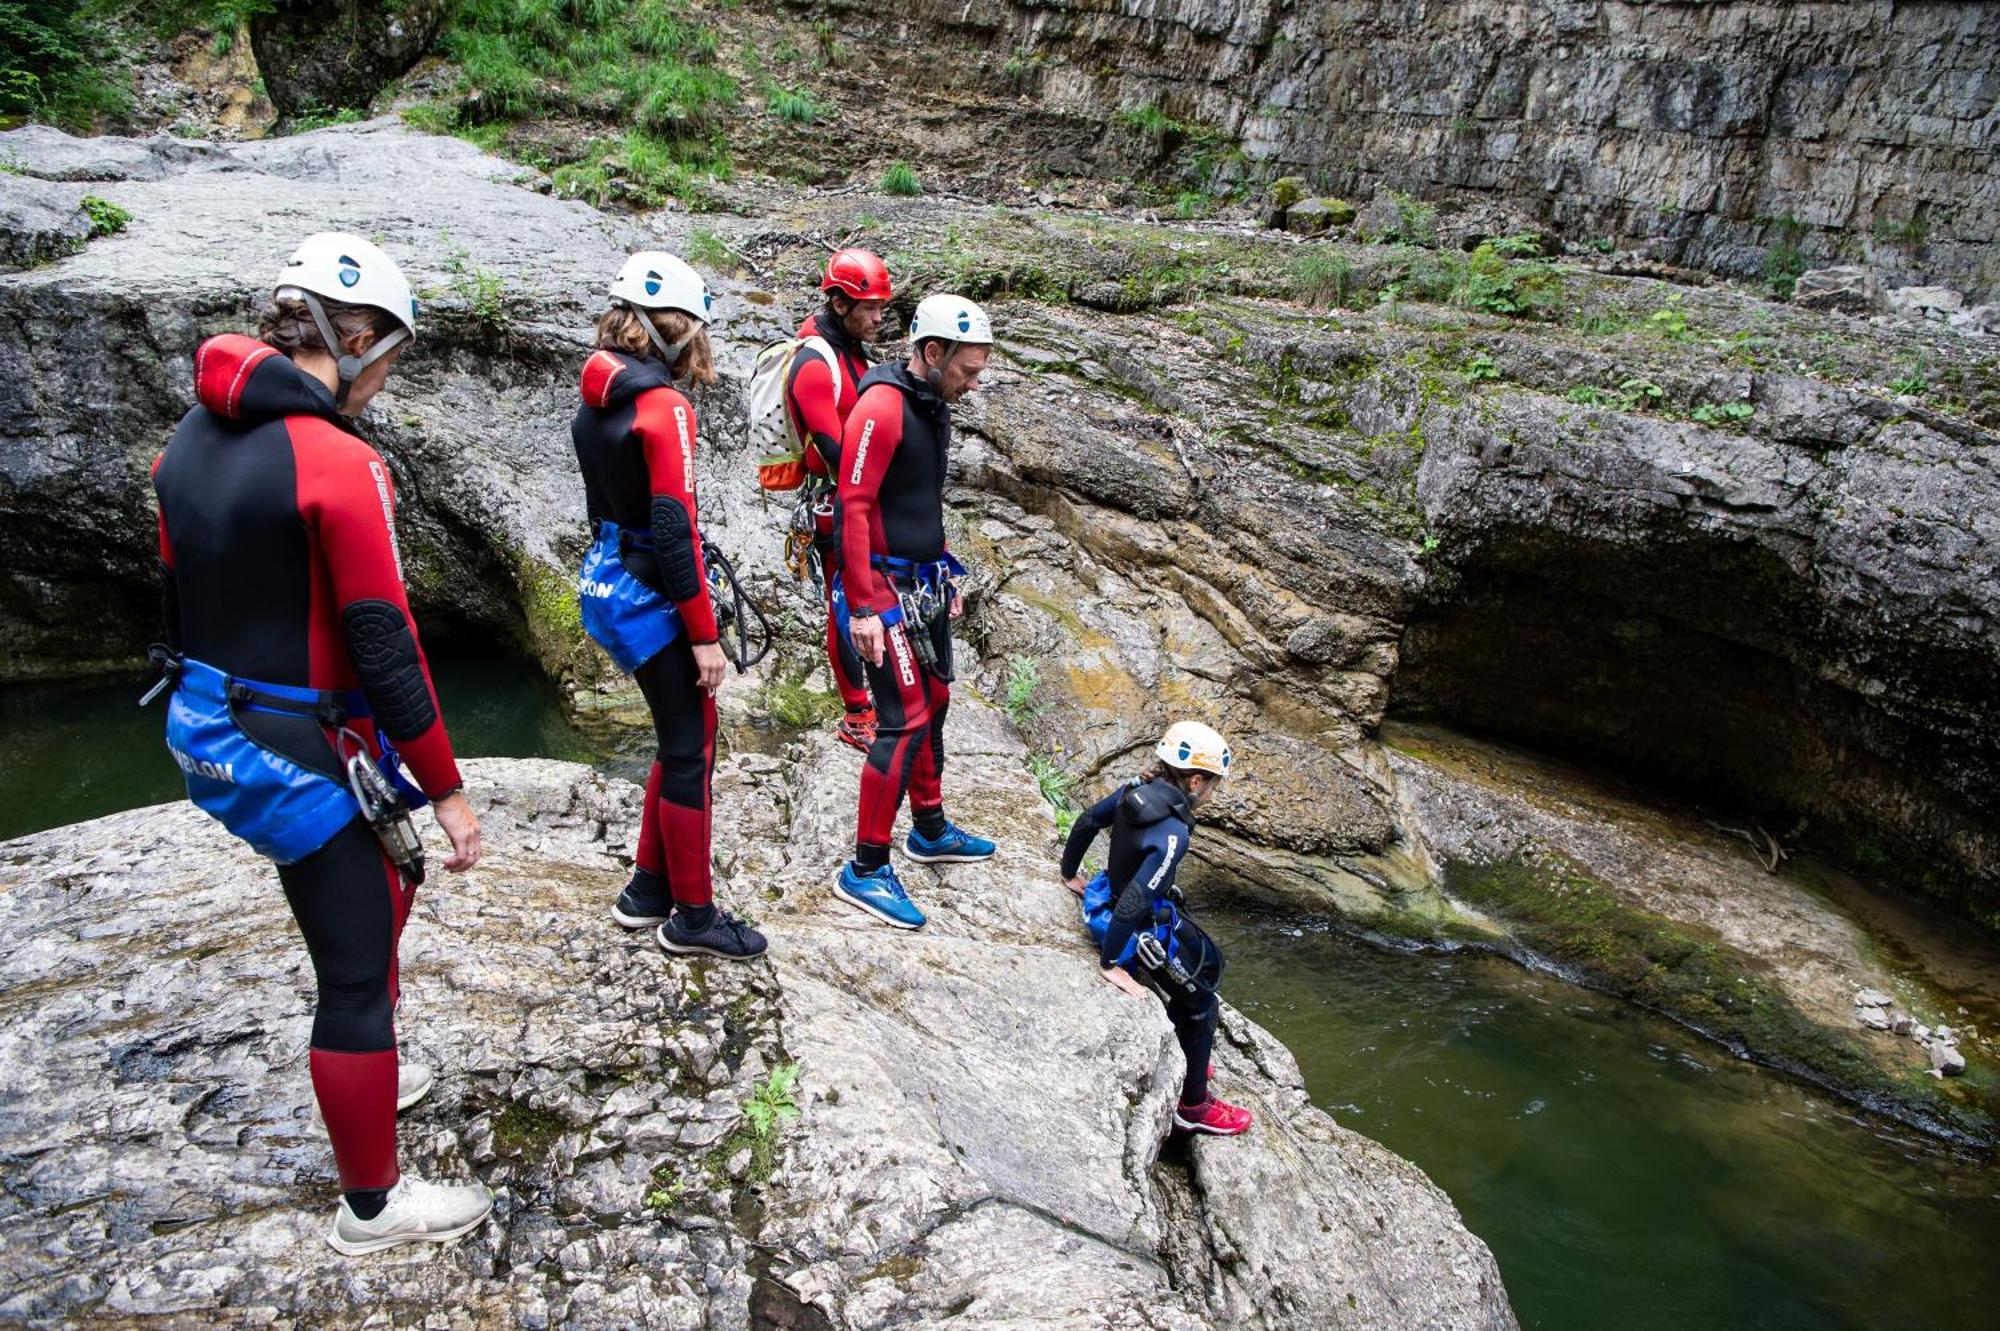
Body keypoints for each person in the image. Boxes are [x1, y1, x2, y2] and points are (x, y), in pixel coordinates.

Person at [150, 232, 493, 1254]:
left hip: (212, 714)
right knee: (352, 963)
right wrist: (447, 789)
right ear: (352, 340)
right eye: (384, 361)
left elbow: (178, 586)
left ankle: (377, 1055)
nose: (383, 384)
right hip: (285, 735)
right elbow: (384, 645)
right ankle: (373, 1206)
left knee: (380, 884)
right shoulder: (337, 460)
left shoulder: (188, 436)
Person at [572, 250, 767, 962]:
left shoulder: (599, 400)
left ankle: (647, 886)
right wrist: (705, 634)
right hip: (653, 594)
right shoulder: (664, 407)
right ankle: (692, 915)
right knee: (693, 748)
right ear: (677, 329)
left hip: (610, 582)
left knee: (677, 735)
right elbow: (673, 527)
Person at [830, 294, 1000, 929]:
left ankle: (928, 828)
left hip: (922, 581)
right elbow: (854, 506)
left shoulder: (933, 404)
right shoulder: (882, 405)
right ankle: (865, 869)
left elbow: (918, 501)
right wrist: (864, 608)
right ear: (933, 353)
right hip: (882, 591)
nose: (974, 383)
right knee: (901, 719)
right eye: (968, 371)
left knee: (938, 700)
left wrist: (946, 566)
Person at [1060, 722, 1253, 1136]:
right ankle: (1193, 1108)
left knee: (1205, 962)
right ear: (1196, 780)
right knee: (1204, 1005)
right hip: (1129, 927)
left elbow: (1087, 821)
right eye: (1212, 785)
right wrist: (1110, 962)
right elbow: (1135, 902)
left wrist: (1069, 874)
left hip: (1110, 900)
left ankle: (1188, 1057)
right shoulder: (1172, 833)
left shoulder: (1135, 789)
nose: (1211, 794)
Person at [783, 248, 892, 752]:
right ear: (839, 302)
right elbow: (832, 447)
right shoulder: (813, 361)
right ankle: (856, 715)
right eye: (868, 308)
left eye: (880, 308)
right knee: (845, 605)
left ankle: (874, 704)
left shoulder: (851, 349)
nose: (877, 317)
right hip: (834, 503)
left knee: (865, 596)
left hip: (859, 496)